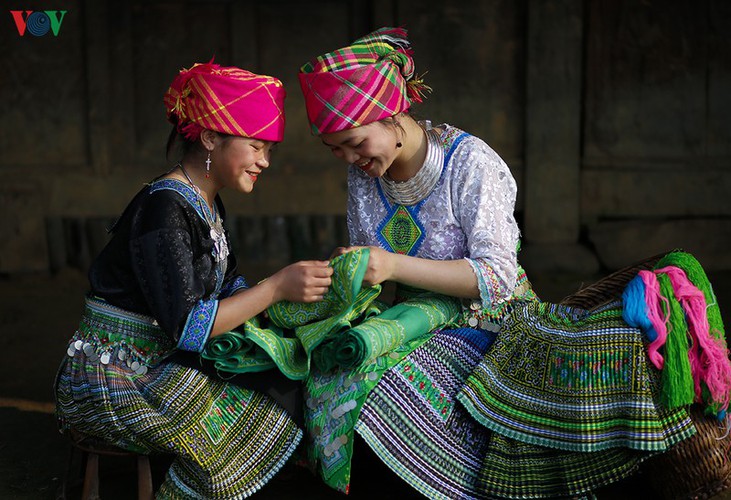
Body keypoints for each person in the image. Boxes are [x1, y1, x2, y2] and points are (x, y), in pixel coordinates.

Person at [297, 27, 729, 498]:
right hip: (416, 319)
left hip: (494, 322)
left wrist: (391, 266)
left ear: (391, 113)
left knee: (390, 396)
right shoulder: (363, 178)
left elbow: (496, 278)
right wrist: (347, 276)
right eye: (334, 148)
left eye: (355, 142)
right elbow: (373, 273)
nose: (348, 157)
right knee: (330, 369)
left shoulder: (470, 164)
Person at [54, 61, 333, 498]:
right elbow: (189, 329)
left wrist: (296, 304)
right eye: (257, 146)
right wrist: (276, 288)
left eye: (269, 151)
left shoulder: (204, 204)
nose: (264, 161)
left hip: (154, 364)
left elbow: (228, 287)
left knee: (281, 369)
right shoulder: (165, 209)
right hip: (117, 378)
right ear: (209, 138)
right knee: (262, 396)